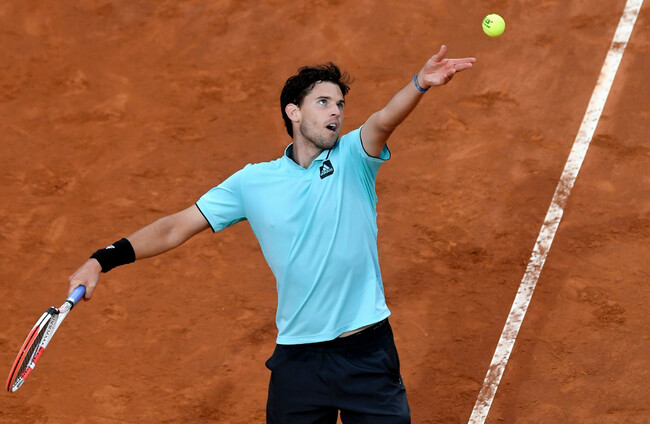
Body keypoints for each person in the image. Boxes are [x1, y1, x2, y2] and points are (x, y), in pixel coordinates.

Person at [68, 45, 475, 424]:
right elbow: (176, 226)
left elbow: (385, 119)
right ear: (293, 112)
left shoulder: (354, 157)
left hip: (366, 353)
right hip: (298, 361)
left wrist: (420, 83)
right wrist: (102, 259)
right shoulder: (253, 182)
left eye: (340, 104)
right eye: (323, 102)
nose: (336, 112)